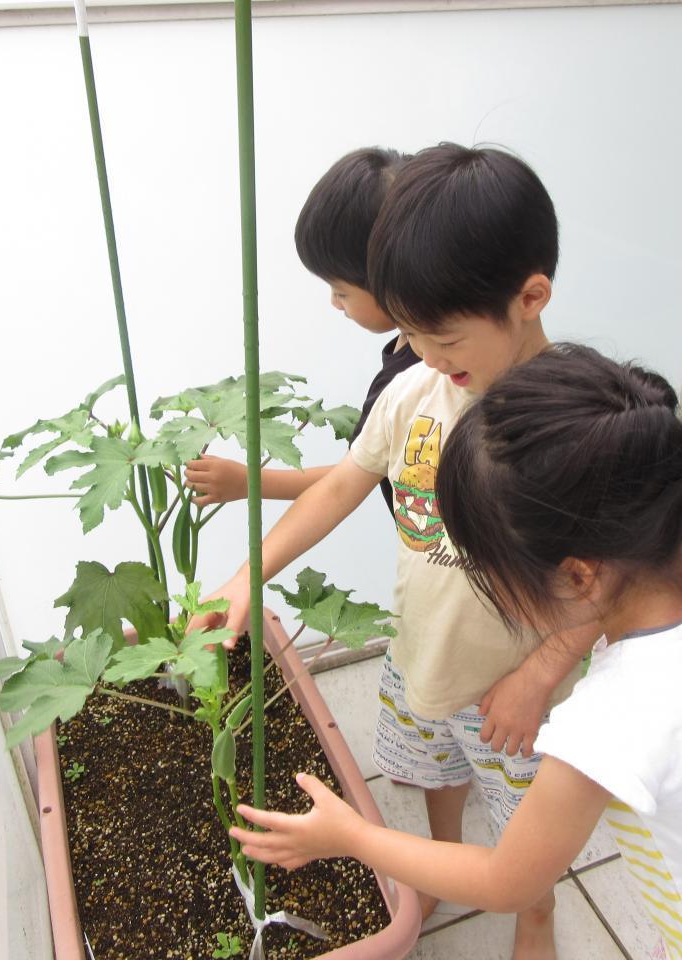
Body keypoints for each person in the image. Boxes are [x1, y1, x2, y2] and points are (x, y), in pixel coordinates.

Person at [229, 344, 682, 960]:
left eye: (487, 571)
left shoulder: (607, 719)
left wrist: (351, 837)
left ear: (578, 576)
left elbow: (507, 881)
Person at [194, 144, 593, 960]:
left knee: (524, 842)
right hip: (419, 658)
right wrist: (245, 575)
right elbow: (344, 485)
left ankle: (535, 916)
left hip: (516, 696)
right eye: (407, 331)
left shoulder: (576, 425)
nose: (427, 356)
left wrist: (541, 673)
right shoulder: (415, 390)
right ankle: (442, 865)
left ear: (530, 297)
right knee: (433, 773)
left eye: (441, 336)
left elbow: (612, 582)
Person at [184, 146, 419, 514]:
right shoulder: (419, 356)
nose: (335, 303)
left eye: (341, 291)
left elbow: (349, 478)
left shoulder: (415, 378)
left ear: (388, 276)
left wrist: (249, 482)